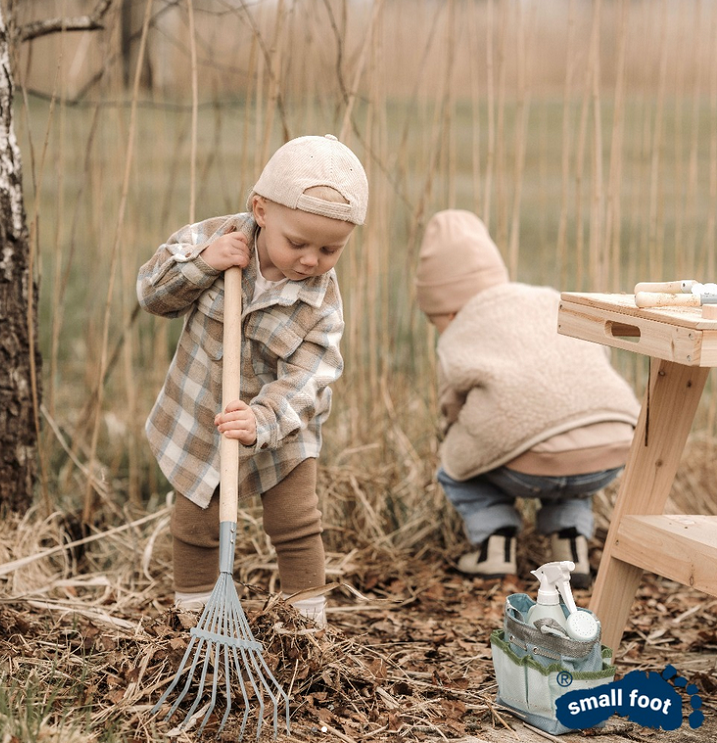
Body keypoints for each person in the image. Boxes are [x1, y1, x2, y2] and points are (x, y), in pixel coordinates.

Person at [137, 134, 368, 625]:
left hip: (280, 423)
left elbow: (312, 375)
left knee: (295, 520)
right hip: (205, 412)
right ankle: (197, 620)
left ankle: (307, 625)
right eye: (298, 243)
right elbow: (151, 295)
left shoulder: (321, 302)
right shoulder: (213, 238)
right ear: (262, 210)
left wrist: (263, 418)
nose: (311, 260)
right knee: (196, 518)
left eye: (331, 249)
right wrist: (204, 265)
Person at [415, 210, 640, 586]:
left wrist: (453, 430)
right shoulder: (546, 298)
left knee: (457, 461)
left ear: (448, 308)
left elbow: (450, 407)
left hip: (528, 463)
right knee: (569, 454)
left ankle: (493, 548)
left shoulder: (462, 328)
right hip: (610, 445)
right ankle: (572, 552)